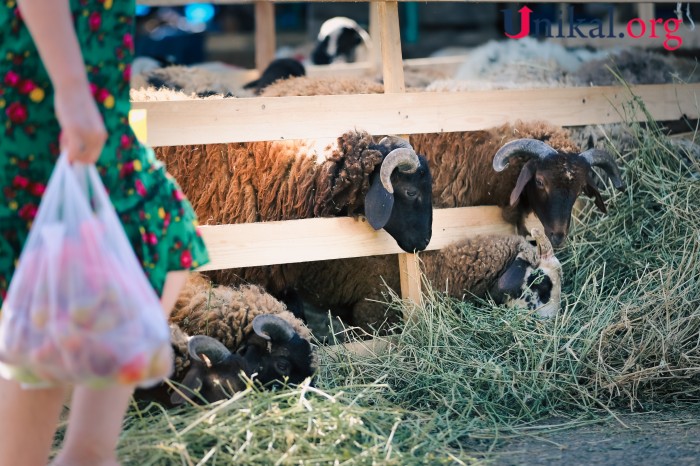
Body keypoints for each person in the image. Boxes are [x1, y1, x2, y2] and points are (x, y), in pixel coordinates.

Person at [0, 1, 210, 465]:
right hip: (44, 85)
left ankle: (87, 454)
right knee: (54, 295)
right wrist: (71, 89)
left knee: (162, 229)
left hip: (95, 85)